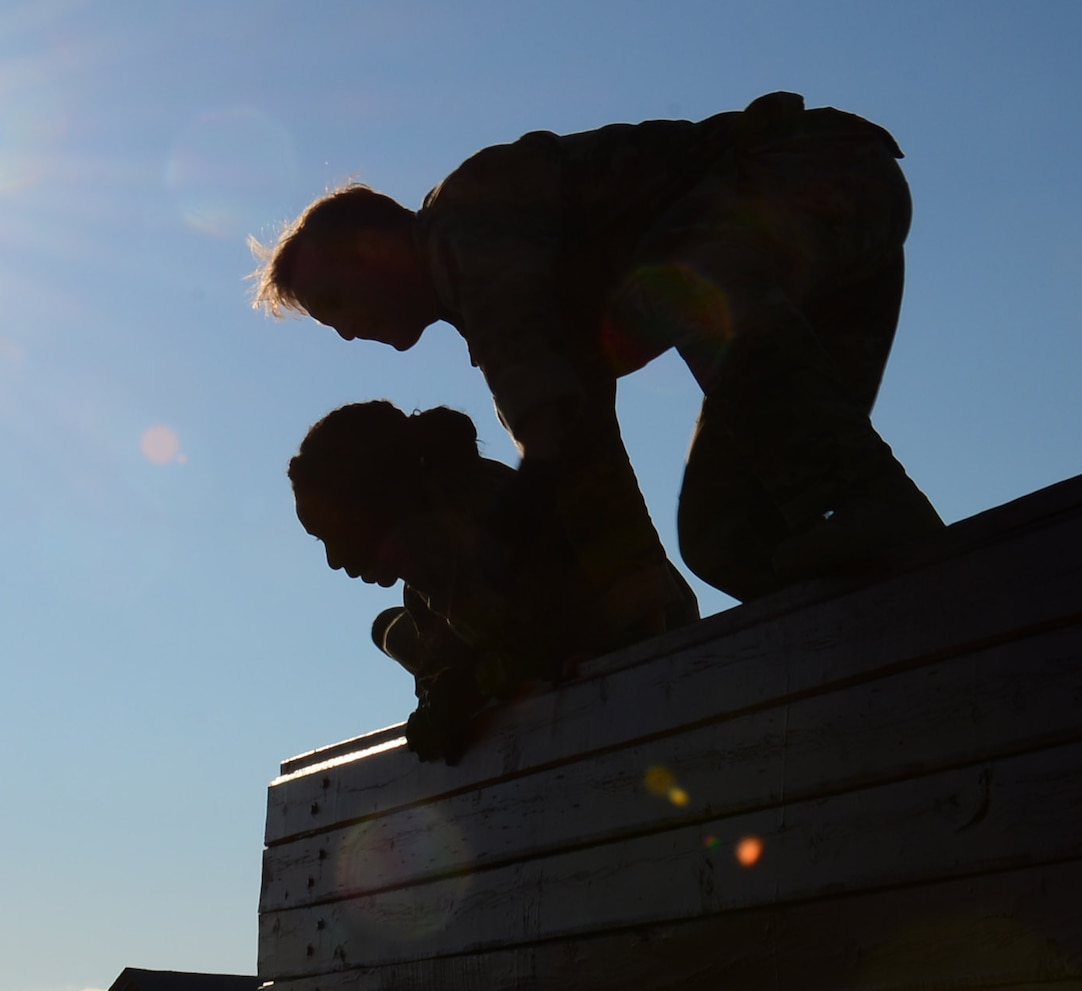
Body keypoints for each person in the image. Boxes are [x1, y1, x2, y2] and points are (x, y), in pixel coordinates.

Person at [256, 90, 944, 626]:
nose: (347, 332)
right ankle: (899, 635)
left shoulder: (466, 223)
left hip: (817, 178)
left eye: (338, 301)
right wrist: (641, 597)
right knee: (726, 537)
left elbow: (548, 408)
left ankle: (869, 500)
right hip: (802, 267)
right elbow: (578, 439)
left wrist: (522, 513)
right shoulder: (498, 306)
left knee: (690, 289)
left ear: (376, 247)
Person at [290, 401, 692, 761]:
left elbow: (554, 638)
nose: (334, 560)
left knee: (408, 640)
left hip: (649, 652)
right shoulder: (426, 568)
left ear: (379, 502)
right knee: (394, 632)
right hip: (558, 648)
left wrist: (466, 689)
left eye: (334, 534)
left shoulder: (488, 522)